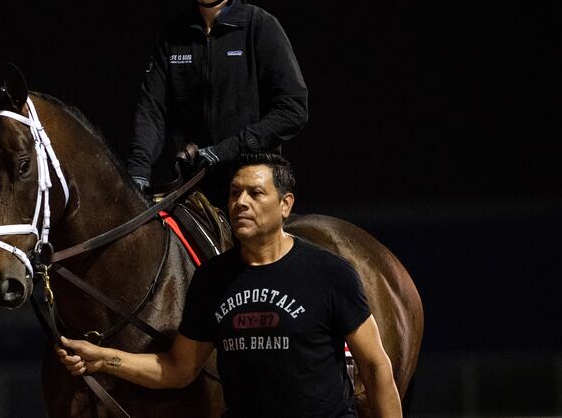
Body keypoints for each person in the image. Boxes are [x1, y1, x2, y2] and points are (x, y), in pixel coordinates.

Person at [56, 152, 402, 417]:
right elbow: (177, 368)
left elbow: (374, 366)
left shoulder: (329, 272)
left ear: (285, 204)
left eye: (255, 193)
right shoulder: (212, 279)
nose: (241, 203)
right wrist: (103, 359)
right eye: (235, 193)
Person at [125, 0, 308, 212]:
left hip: (254, 178)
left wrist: (225, 151)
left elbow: (293, 109)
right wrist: (137, 172)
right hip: (193, 184)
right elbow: (152, 109)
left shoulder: (260, 27)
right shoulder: (172, 36)